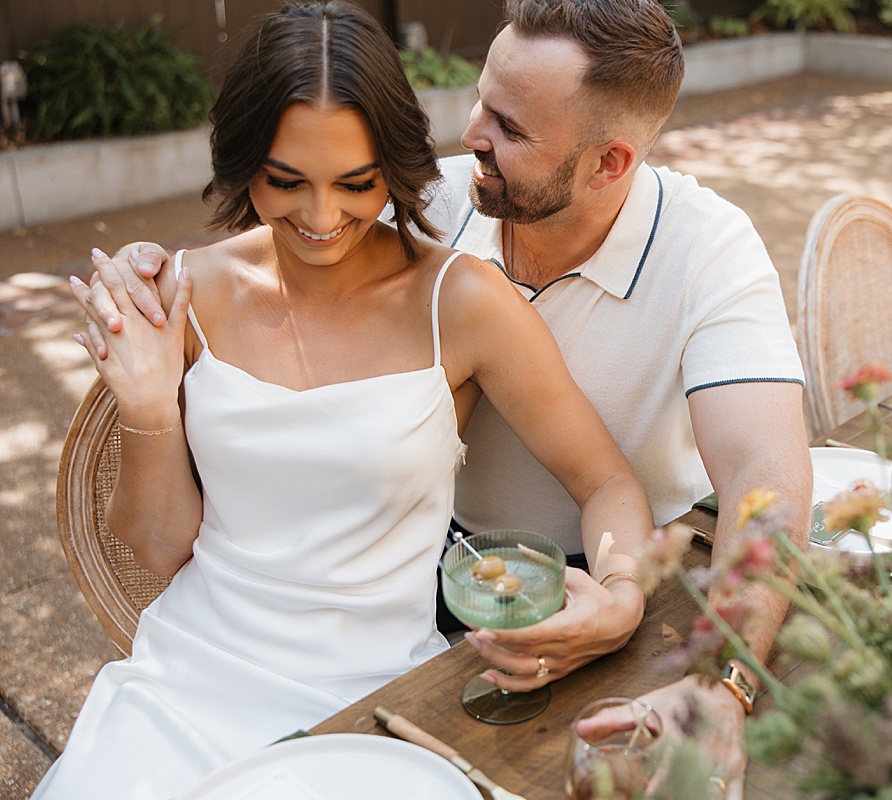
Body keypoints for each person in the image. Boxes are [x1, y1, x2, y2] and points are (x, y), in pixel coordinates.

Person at [89, 0, 813, 793]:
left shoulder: (695, 252)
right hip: (285, 639)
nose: (470, 137)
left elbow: (761, 484)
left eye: (509, 125)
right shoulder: (438, 197)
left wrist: (653, 621)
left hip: (607, 590)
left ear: (609, 163)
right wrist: (149, 376)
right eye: (479, 98)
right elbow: (159, 545)